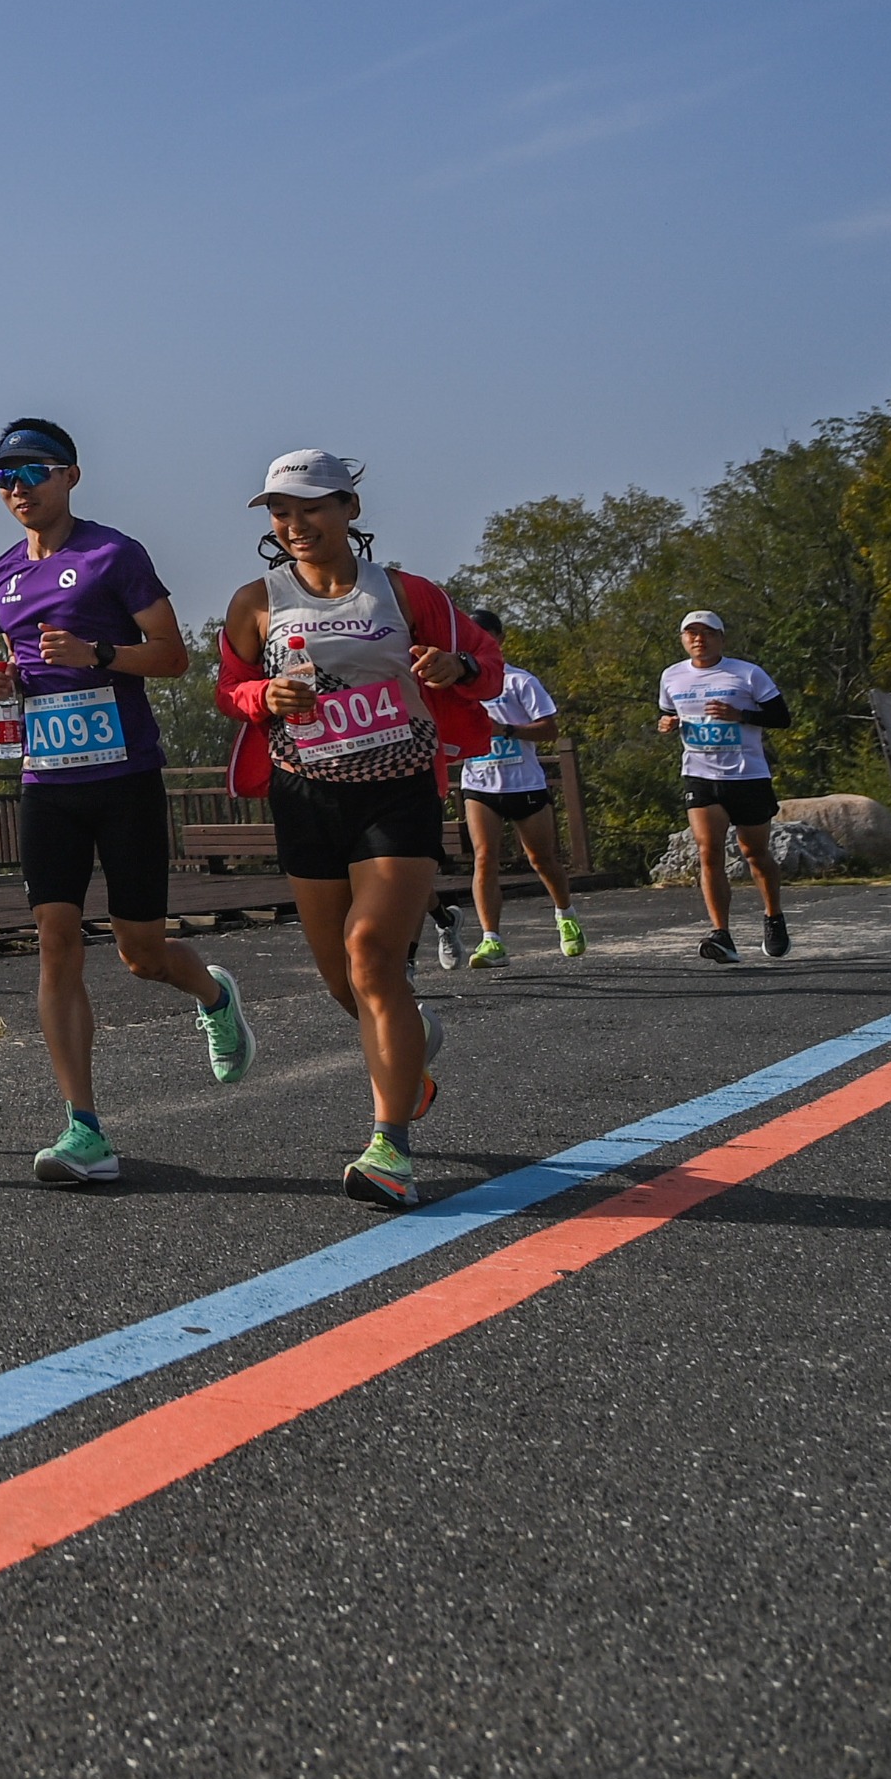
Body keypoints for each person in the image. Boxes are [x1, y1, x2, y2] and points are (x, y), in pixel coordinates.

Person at [213, 451, 503, 1212]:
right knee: (344, 981)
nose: (295, 524)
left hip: (397, 792)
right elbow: (228, 688)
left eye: (311, 506)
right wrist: (262, 696)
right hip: (305, 795)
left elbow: (488, 666)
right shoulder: (255, 601)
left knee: (371, 952)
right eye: (281, 511)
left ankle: (390, 1151)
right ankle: (411, 1057)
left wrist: (455, 667)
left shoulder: (406, 593)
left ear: (350, 508)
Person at [0, 419, 254, 1191]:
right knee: (55, 939)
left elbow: (173, 655)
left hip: (124, 776)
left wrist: (98, 653)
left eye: (33, 471)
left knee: (141, 953)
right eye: (4, 476)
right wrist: (5, 682)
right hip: (46, 781)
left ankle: (213, 994)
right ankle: (84, 1128)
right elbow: (25, 667)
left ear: (71, 475)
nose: (18, 487)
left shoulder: (114, 554)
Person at [443, 606, 581, 965]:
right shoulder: (456, 686)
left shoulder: (519, 681)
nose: (477, 645)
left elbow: (550, 730)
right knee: (484, 858)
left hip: (524, 784)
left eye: (485, 638)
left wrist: (505, 730)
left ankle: (565, 915)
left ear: (499, 640)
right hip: (480, 783)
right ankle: (491, 940)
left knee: (541, 859)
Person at [661, 610, 796, 963]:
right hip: (700, 776)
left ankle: (773, 916)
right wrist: (668, 723)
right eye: (691, 633)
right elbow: (668, 713)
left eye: (707, 633)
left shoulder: (747, 674)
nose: (699, 639)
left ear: (721, 638)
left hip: (747, 776)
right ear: (683, 639)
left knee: (755, 854)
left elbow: (782, 718)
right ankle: (721, 934)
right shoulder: (672, 676)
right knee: (708, 851)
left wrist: (742, 715)